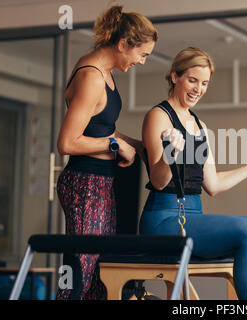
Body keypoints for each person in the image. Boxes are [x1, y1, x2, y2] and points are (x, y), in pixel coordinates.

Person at [139, 47, 247, 300]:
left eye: (204, 83)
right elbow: (158, 181)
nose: (198, 89)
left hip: (193, 216)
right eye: (192, 80)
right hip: (164, 219)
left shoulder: (199, 125)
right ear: (175, 77)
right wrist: (170, 152)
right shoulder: (159, 116)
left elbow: (213, 184)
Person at [56, 5, 158, 300]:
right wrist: (115, 146)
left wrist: (137, 146)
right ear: (124, 44)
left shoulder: (105, 73)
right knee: (80, 274)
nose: (142, 61)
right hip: (84, 183)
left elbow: (101, 129)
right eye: (143, 53)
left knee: (99, 275)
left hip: (100, 182)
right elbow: (67, 142)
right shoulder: (91, 76)